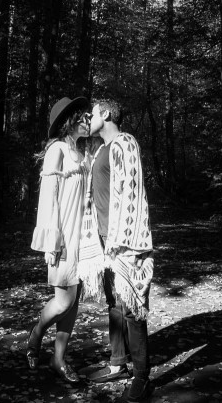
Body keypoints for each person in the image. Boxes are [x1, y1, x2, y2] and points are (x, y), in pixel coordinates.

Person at [82, 98, 154, 401]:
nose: (89, 119)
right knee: (114, 304)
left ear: (107, 114)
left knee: (133, 308)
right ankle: (117, 364)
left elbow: (133, 195)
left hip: (125, 242)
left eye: (93, 114)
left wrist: (127, 242)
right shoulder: (99, 149)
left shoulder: (125, 143)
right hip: (104, 241)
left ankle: (142, 376)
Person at [27, 96, 92, 386]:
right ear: (71, 119)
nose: (89, 120)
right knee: (63, 302)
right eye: (85, 116)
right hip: (64, 237)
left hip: (82, 238)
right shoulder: (57, 150)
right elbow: (47, 200)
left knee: (73, 301)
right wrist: (53, 240)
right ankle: (36, 334)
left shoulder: (82, 151)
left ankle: (58, 359)